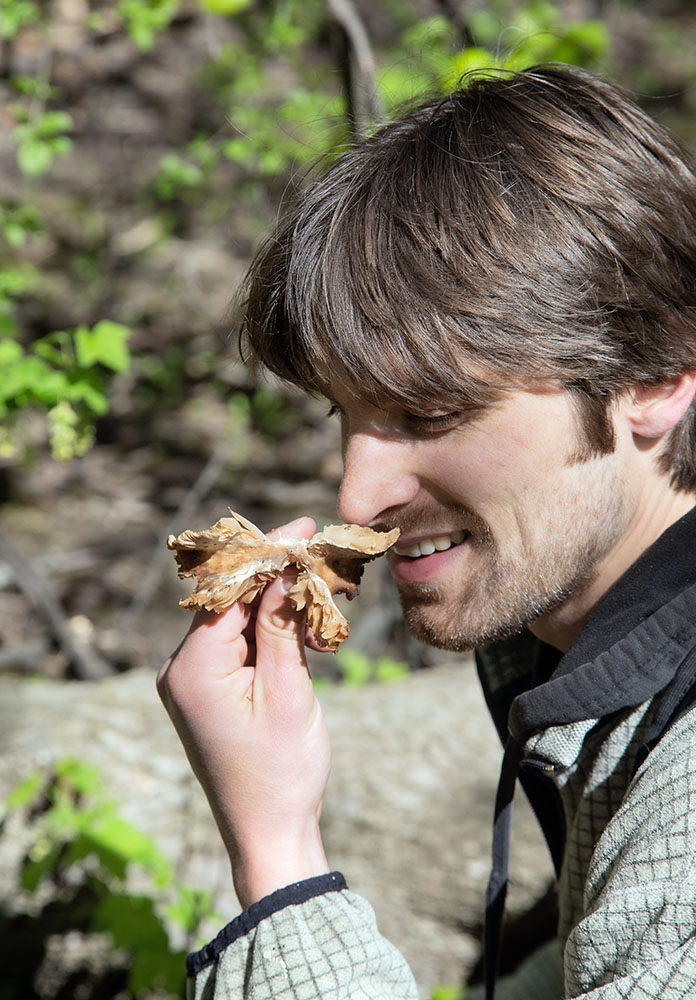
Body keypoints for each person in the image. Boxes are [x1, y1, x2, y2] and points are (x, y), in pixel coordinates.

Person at [157, 64, 696, 1000]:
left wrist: (279, 858)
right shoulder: (594, 671)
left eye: (430, 412)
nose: (356, 494)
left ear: (655, 378)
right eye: (346, 415)